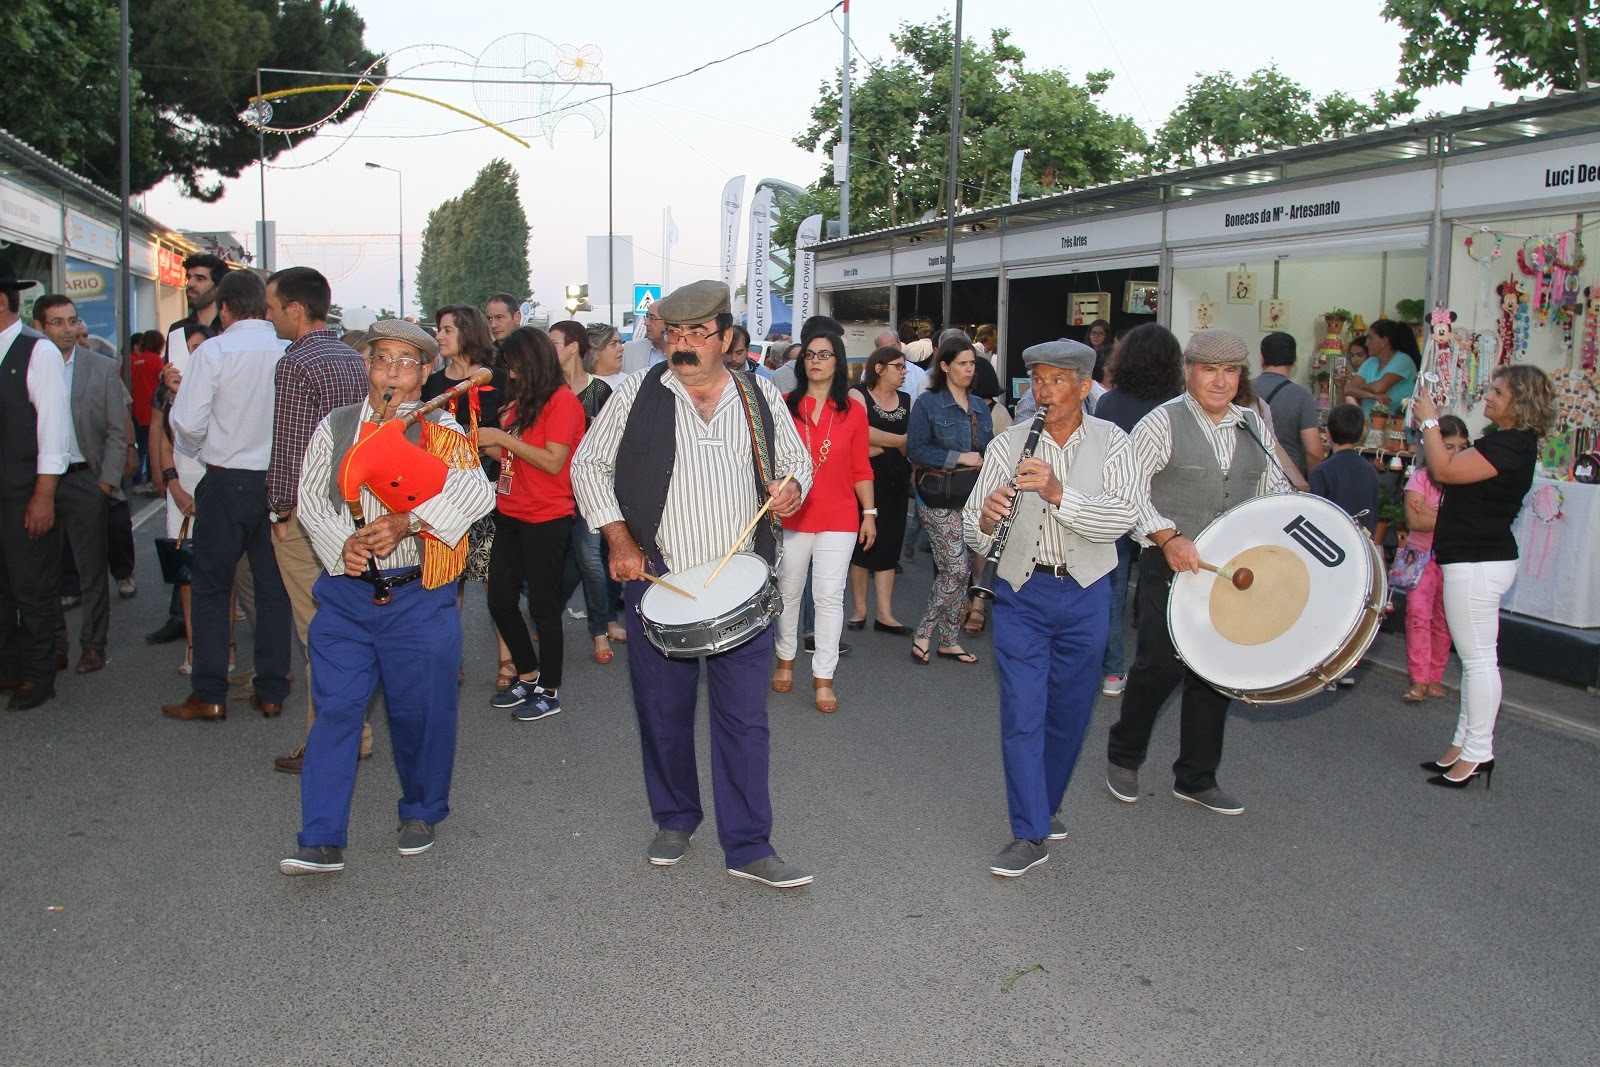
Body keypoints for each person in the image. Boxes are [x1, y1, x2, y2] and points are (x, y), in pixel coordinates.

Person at [571, 279, 814, 889]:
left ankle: (750, 845)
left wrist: (791, 488)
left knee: (744, 719)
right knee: (662, 710)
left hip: (741, 585)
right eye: (673, 333)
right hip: (658, 576)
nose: (681, 345)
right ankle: (675, 817)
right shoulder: (636, 392)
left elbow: (797, 462)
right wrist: (618, 540)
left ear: (725, 337)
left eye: (697, 334)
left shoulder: (760, 394)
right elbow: (587, 466)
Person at [278, 318, 495, 875]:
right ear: (366, 366)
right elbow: (311, 498)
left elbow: (476, 492)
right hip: (346, 598)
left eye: (405, 362)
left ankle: (421, 809)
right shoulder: (337, 425)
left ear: (425, 373)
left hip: (419, 596)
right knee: (335, 711)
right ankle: (320, 837)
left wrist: (408, 521)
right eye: (381, 360)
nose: (391, 373)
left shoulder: (443, 429)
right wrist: (344, 547)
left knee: (420, 713)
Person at [964, 340, 1138, 876]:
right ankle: (1028, 832)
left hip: (1088, 592)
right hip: (1023, 592)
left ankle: (1045, 805)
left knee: (1069, 713)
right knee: (1022, 712)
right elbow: (974, 525)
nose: (1044, 391)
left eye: (1057, 381)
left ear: (1085, 388)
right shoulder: (1009, 443)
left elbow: (1122, 517)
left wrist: (1061, 493)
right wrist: (987, 520)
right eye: (1038, 380)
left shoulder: (1114, 441)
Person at [1105, 328, 1293, 815]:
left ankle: (1196, 777)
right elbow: (1128, 492)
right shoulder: (1161, 422)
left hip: (1231, 573)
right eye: (1210, 370)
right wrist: (1168, 537)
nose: (1220, 381)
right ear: (1188, 371)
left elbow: (1274, 492)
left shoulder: (1253, 424)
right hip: (1168, 564)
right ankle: (1124, 754)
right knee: (1158, 666)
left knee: (1216, 672)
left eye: (1230, 371)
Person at [160, 270, 293, 722]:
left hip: (225, 477)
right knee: (272, 588)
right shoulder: (284, 351)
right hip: (274, 481)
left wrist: (200, 449)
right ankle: (272, 690)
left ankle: (210, 692)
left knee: (212, 588)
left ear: (224, 308)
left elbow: (187, 421)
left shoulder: (214, 351)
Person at [1413, 366, 1554, 790]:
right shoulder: (1507, 443)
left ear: (1520, 403)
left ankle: (1477, 752)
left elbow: (1443, 470)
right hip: (1475, 559)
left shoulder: (1510, 445)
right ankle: (1463, 745)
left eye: (1498, 391)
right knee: (1476, 663)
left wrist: (1430, 421)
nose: (1488, 396)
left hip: (1478, 562)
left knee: (1477, 662)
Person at [263, 267, 370, 774]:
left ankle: (330, 742)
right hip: (351, 507)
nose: (268, 317)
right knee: (343, 625)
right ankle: (353, 733)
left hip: (307, 516)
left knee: (318, 632)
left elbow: (291, 448)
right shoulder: (352, 357)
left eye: (272, 308)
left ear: (295, 308)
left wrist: (280, 509)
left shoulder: (296, 363)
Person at [478, 327, 583, 718]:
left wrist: (503, 439)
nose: (510, 373)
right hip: (510, 511)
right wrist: (475, 443)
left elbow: (553, 461)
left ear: (532, 361)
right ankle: (527, 674)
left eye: (514, 365)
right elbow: (514, 456)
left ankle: (549, 690)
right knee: (499, 600)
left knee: (543, 606)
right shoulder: (522, 402)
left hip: (547, 516)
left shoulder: (562, 401)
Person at [771, 329, 873, 714]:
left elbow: (861, 468)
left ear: (838, 362)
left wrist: (870, 514)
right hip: (792, 514)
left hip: (840, 516)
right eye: (810, 354)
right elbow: (769, 461)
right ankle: (785, 659)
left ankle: (824, 677)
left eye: (824, 354)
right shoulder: (784, 404)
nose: (815, 360)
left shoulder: (853, 410)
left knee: (829, 596)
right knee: (788, 591)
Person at [34, 295, 125, 675]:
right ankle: (55, 645)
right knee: (44, 572)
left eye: (72, 321)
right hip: (40, 484)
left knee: (91, 572)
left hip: (86, 479)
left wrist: (104, 484)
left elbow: (118, 432)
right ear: (39, 327)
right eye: (57, 322)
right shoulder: (30, 365)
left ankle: (93, 645)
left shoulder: (101, 367)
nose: (68, 329)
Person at [1092, 324, 1184, 697]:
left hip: (1116, 506)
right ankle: (1162, 668)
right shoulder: (1177, 407)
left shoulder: (1108, 403)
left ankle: (1114, 671)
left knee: (1113, 592)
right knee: (1162, 593)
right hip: (1163, 512)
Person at [423, 304, 511, 687]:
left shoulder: (500, 378)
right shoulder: (431, 385)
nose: (439, 336)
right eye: (439, 329)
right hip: (442, 496)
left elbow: (516, 432)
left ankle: (508, 658)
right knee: (448, 582)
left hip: (489, 492)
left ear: (468, 332)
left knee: (495, 581)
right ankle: (449, 659)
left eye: (447, 329)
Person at [0, 256, 71, 711]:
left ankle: (38, 675)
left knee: (32, 587)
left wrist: (43, 496)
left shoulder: (37, 351)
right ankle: (8, 667)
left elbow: (53, 430)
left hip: (23, 493)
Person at [907, 334, 993, 665]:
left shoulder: (981, 406)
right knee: (956, 571)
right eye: (962, 363)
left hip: (972, 498)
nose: (969, 369)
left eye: (972, 363)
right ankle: (924, 632)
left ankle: (949, 640)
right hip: (937, 496)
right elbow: (915, 450)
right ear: (944, 366)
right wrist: (959, 458)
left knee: (962, 567)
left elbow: (989, 450)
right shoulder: (928, 403)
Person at [549, 319, 625, 664]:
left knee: (592, 557)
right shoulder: (548, 389)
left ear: (574, 347)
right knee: (571, 558)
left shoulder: (601, 391)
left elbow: (616, 442)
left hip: (590, 487)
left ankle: (599, 629)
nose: (548, 350)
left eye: (554, 343)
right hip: (553, 486)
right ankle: (548, 611)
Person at [1401, 414, 1470, 704]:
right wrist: (1450, 518)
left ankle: (1434, 676)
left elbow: (1468, 523)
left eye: (1462, 447)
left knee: (1446, 618)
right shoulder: (1420, 478)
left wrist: (1433, 514)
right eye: (1448, 447)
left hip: (1453, 557)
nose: (1455, 454)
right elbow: (1414, 521)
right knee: (1418, 614)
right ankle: (1418, 678)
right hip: (1421, 557)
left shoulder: (1467, 480)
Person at [1311, 403, 1380, 687]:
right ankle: (1347, 665)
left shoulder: (1322, 471)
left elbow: (1317, 515)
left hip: (1328, 550)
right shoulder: (1370, 470)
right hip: (1361, 546)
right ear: (1362, 434)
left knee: (1325, 608)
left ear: (1327, 433)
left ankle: (1325, 667)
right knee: (1352, 608)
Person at [847, 346, 912, 633]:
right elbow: (859, 435)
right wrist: (898, 442)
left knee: (889, 545)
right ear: (879, 368)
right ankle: (860, 611)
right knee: (862, 546)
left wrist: (879, 445)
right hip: (865, 481)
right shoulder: (857, 394)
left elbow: (913, 440)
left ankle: (885, 614)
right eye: (898, 366)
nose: (903, 372)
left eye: (904, 366)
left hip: (896, 481)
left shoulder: (907, 400)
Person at [1251, 331, 1324, 488]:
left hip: (1250, 478)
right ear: (1295, 360)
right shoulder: (1302, 396)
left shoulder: (1242, 391)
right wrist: (1313, 487)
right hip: (1289, 481)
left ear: (1262, 358)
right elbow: (1314, 452)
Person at [1345, 319, 1419, 417]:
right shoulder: (1371, 362)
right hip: (1366, 424)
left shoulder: (1403, 360)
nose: (1366, 343)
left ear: (1384, 340)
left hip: (1395, 424)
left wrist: (1361, 386)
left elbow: (1379, 388)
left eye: (1370, 338)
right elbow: (1348, 389)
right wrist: (1373, 396)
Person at [129, 330, 164, 490]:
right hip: (154, 412)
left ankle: (136, 482)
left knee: (139, 448)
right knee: (153, 448)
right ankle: (151, 480)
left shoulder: (131, 361)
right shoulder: (157, 361)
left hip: (136, 411)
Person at [620, 304, 669, 375]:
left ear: (668, 322)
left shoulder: (682, 352)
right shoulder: (629, 350)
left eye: (652, 318)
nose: (646, 323)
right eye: (646, 317)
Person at [586, 322, 626, 389]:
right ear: (594, 352)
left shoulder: (631, 382)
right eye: (613, 344)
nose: (621, 348)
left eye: (620, 342)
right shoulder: (582, 386)